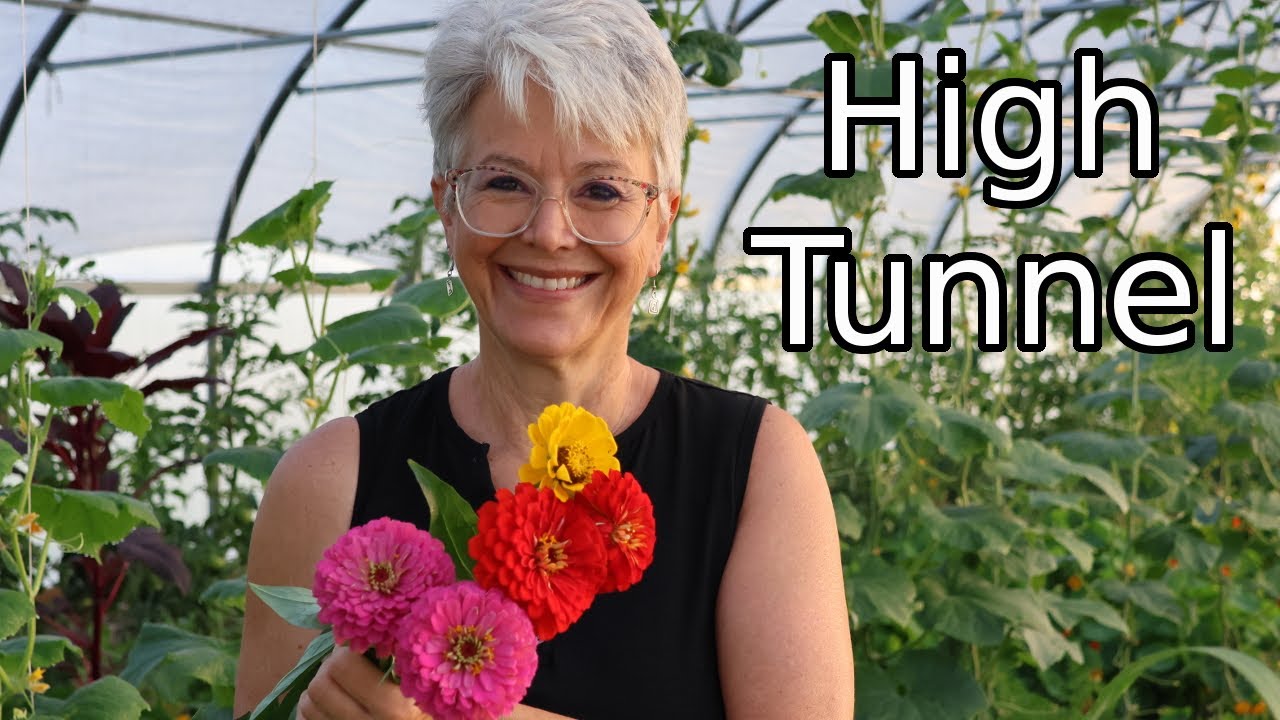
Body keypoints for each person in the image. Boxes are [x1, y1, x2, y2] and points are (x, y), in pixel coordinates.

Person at [232, 0, 853, 717]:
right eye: (504, 182)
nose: (551, 233)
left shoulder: (756, 464)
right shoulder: (328, 479)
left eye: (601, 190)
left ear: (661, 226)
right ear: (447, 206)